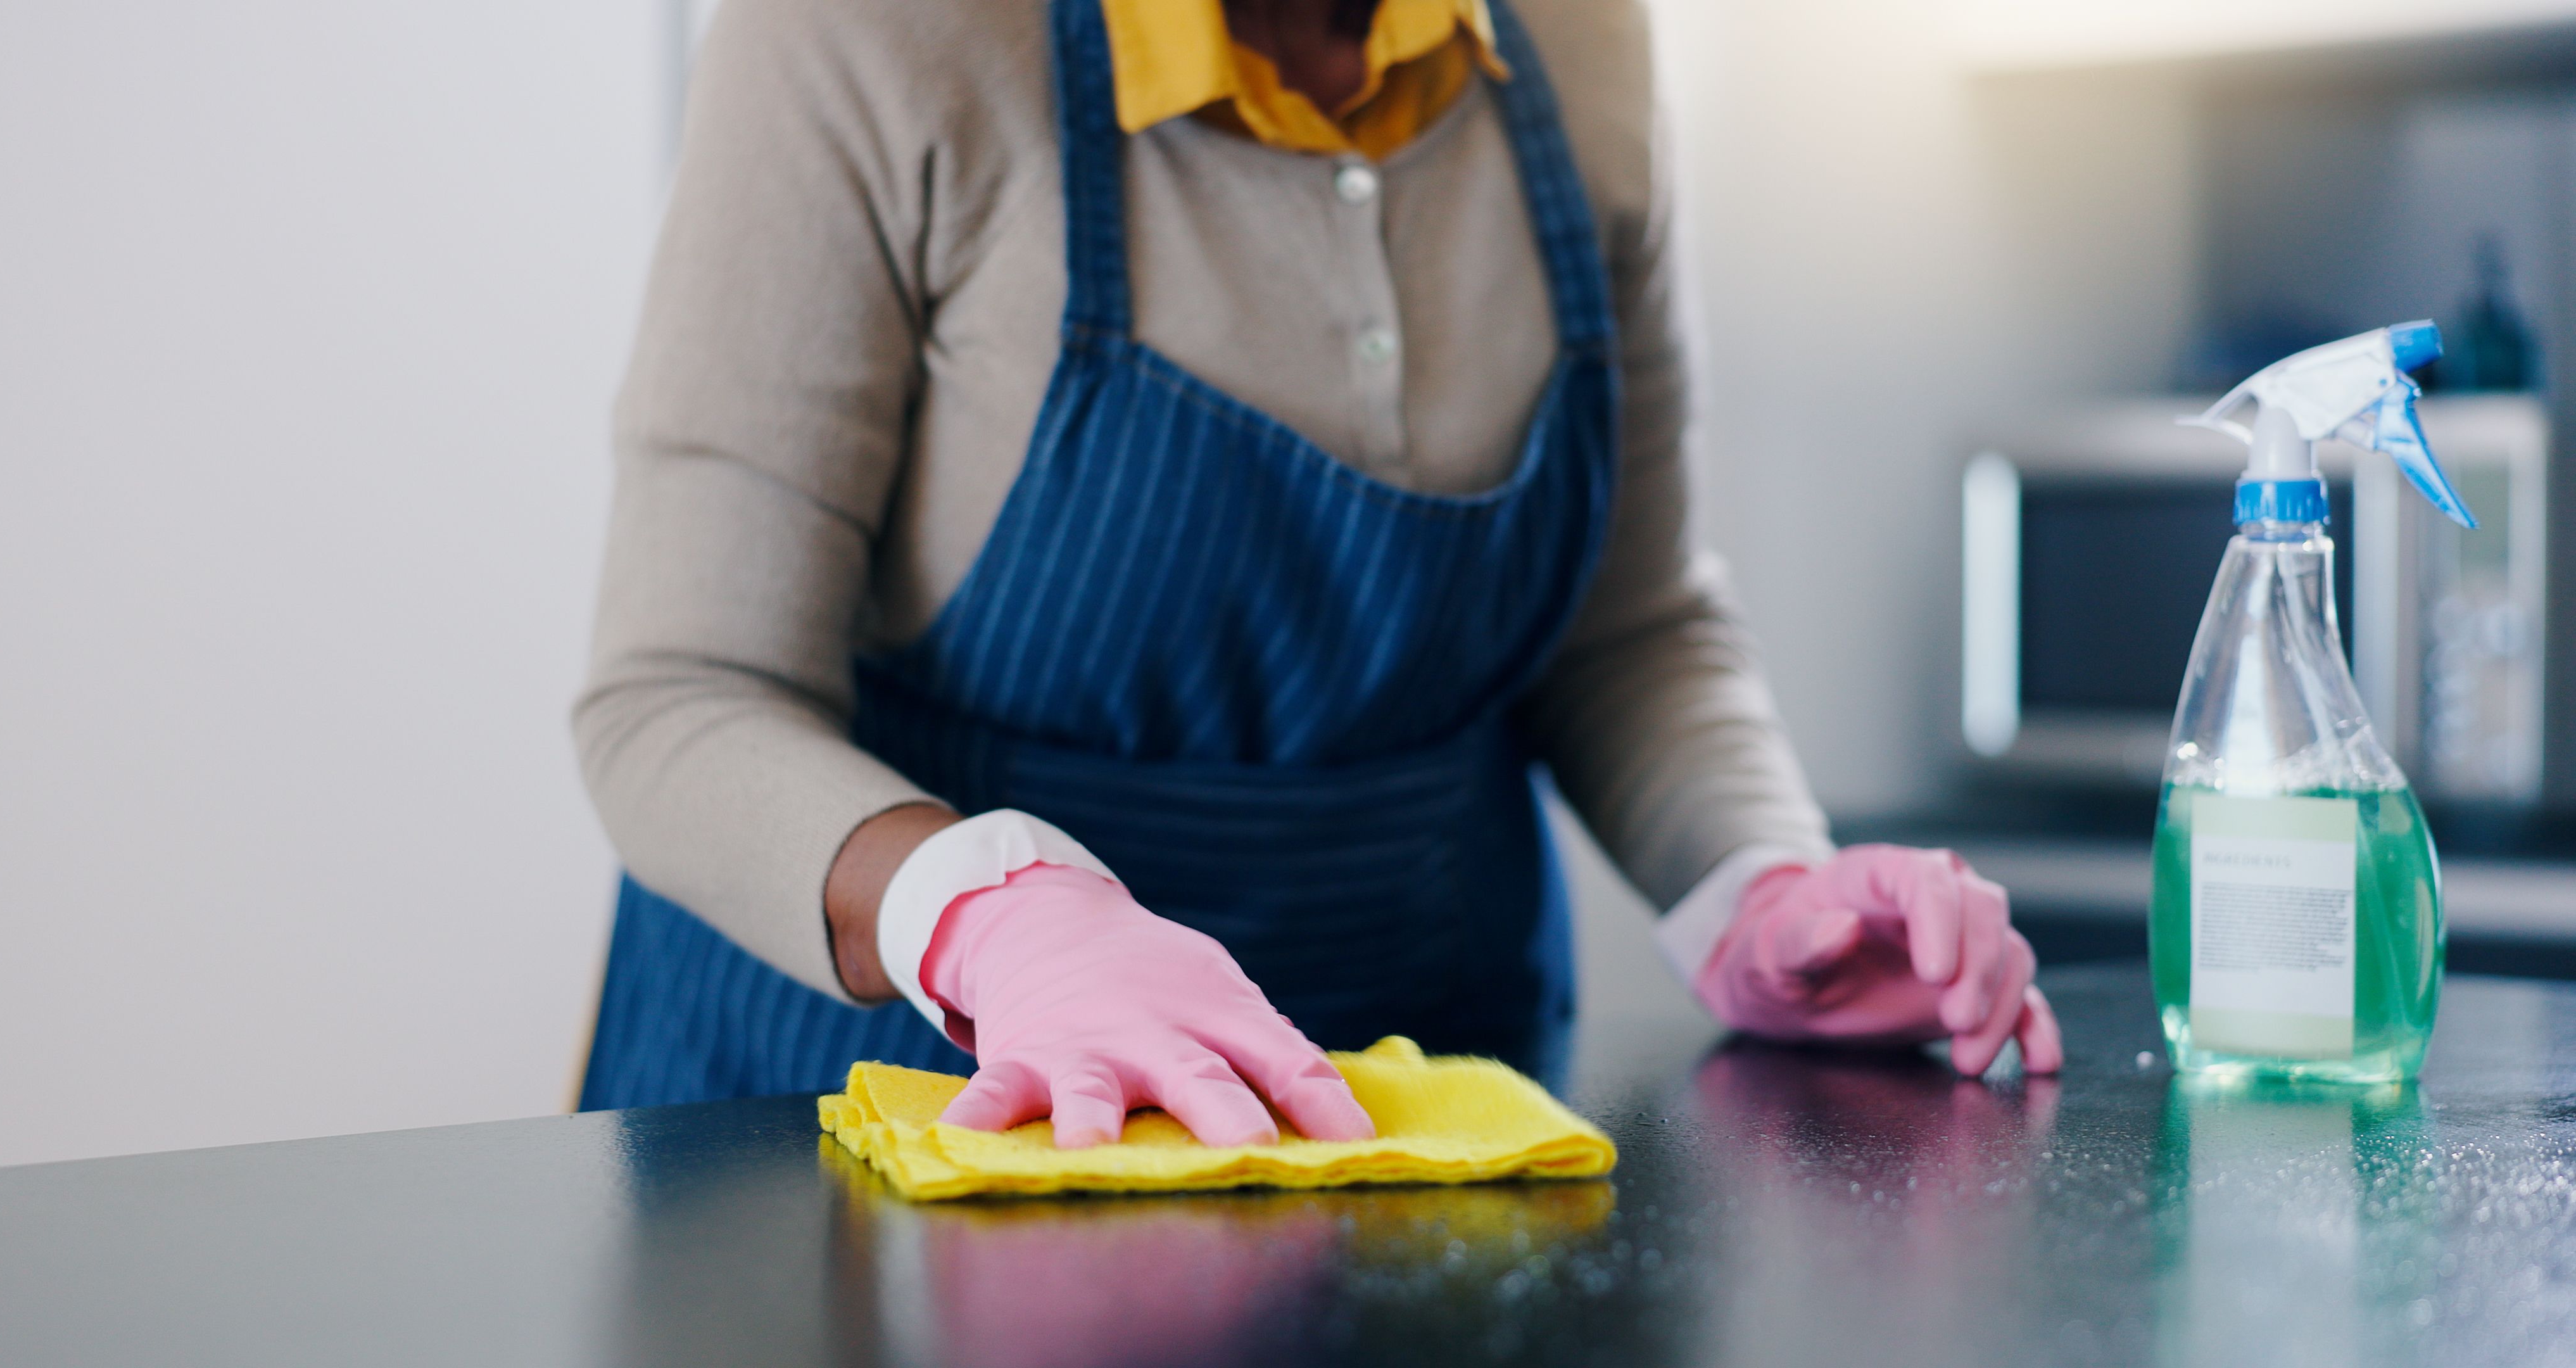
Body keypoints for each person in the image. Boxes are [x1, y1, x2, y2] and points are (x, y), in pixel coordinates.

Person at [572, 0, 2064, 1144]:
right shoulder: (871, 37)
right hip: (893, 1113)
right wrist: (990, 913)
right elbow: (678, 696)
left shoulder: (1577, 40)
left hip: (1406, 1122)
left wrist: (1758, 891)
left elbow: (1629, 621)